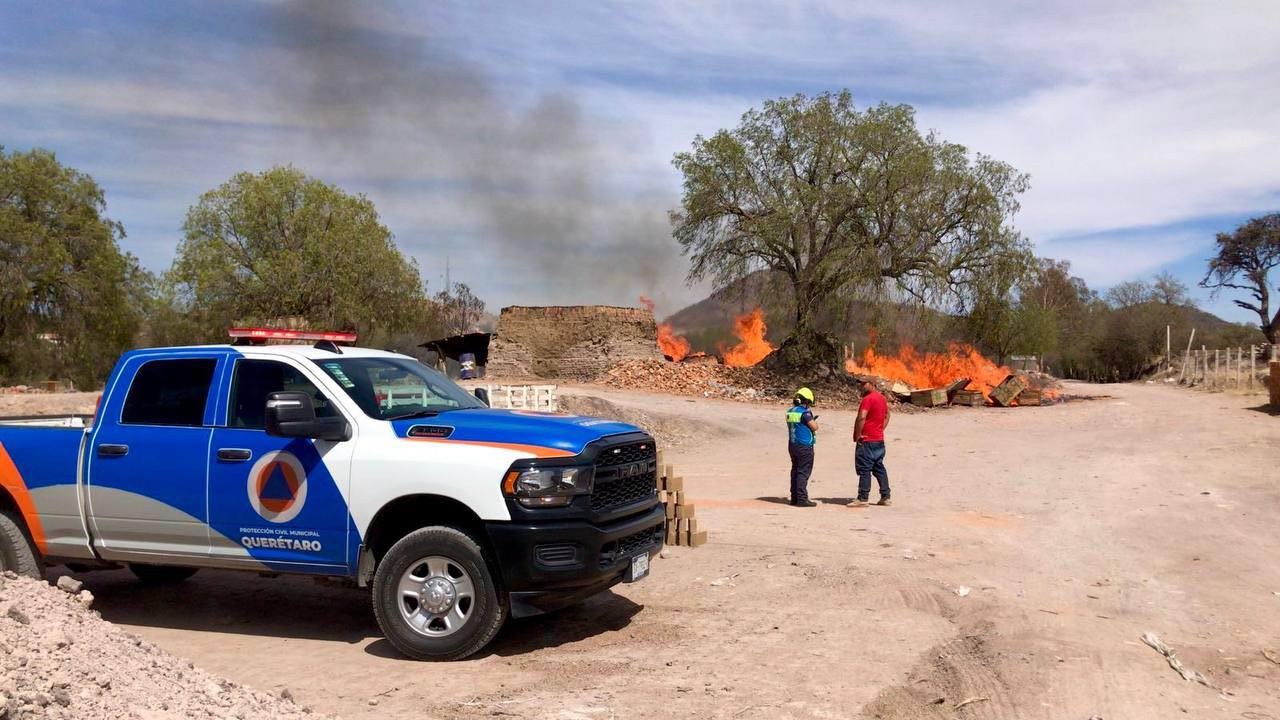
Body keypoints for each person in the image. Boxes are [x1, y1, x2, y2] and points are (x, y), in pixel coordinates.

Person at [849, 377, 891, 507]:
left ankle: (863, 498)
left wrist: (858, 435)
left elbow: (861, 417)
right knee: (879, 467)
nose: (861, 386)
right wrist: (880, 429)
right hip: (878, 440)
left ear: (872, 384)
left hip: (867, 440)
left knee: (865, 469)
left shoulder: (867, 399)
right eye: (860, 384)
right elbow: (888, 415)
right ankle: (886, 496)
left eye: (864, 384)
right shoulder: (882, 398)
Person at [786, 387, 819, 507]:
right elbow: (814, 427)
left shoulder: (790, 411)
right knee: (803, 472)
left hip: (793, 445)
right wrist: (812, 420)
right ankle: (802, 498)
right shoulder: (805, 413)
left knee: (795, 471)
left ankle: (794, 497)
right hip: (804, 446)